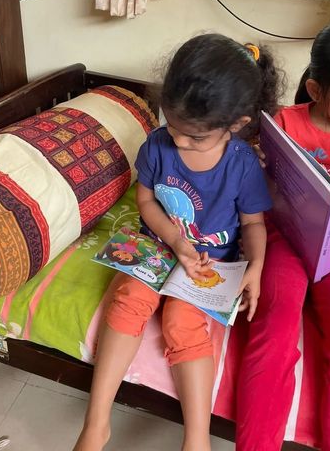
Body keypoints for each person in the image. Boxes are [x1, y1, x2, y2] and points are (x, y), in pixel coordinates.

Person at [73, 33, 283, 451]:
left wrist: (256, 267)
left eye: (196, 137)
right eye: (173, 127)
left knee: (181, 322)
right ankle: (96, 424)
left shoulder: (241, 164)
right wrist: (172, 238)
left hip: (211, 261)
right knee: (130, 296)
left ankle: (197, 441)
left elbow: (254, 224)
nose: (180, 141)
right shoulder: (158, 144)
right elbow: (146, 198)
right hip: (157, 243)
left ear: (236, 125)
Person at [236, 15, 330, 451]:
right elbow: (260, 192)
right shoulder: (285, 123)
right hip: (287, 241)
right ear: (316, 90)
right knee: (273, 332)